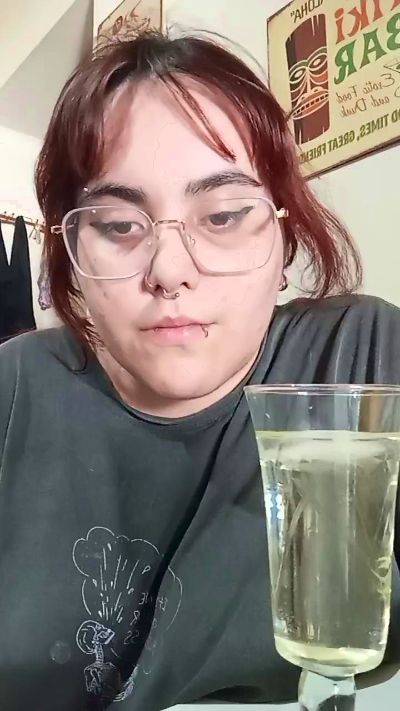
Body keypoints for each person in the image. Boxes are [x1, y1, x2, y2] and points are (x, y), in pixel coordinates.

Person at [0, 30, 400, 711]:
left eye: (222, 215)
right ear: (71, 251)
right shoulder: (14, 388)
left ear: (285, 238)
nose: (169, 270)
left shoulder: (362, 359)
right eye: (119, 225)